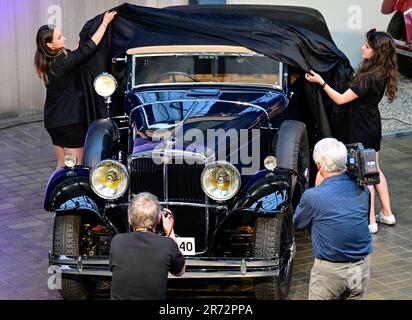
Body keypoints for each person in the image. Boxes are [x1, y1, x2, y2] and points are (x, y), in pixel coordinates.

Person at [305, 29, 398, 234]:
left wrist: (321, 82)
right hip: (372, 123)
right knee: (374, 169)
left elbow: (339, 99)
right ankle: (388, 214)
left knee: (364, 174)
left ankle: (370, 221)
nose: (361, 48)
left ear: (376, 51)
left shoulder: (368, 77)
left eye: (366, 46)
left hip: (359, 126)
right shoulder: (382, 71)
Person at [34, 11, 117, 168]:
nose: (64, 38)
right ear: (50, 45)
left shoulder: (45, 61)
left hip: (54, 121)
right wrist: (105, 22)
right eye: (59, 37)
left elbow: (77, 56)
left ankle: (53, 192)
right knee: (76, 166)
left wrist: (80, 45)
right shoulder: (63, 61)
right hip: (69, 122)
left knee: (61, 164)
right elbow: (90, 48)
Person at [293, 138, 372, 300]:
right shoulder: (363, 190)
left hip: (330, 272)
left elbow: (299, 222)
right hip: (360, 267)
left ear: (319, 166)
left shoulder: (313, 196)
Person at [109, 192, 186, 300]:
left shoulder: (117, 241)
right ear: (159, 219)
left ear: (130, 219)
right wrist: (170, 232)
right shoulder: (168, 244)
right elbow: (180, 272)